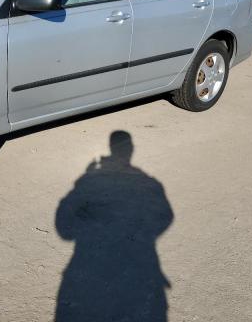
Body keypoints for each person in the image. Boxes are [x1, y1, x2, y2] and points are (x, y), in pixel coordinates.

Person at [55, 131, 174, 321]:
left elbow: (63, 229)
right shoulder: (150, 183)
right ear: (131, 151)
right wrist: (146, 235)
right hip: (141, 272)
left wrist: (80, 184)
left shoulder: (88, 181)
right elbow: (166, 216)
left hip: (88, 272)